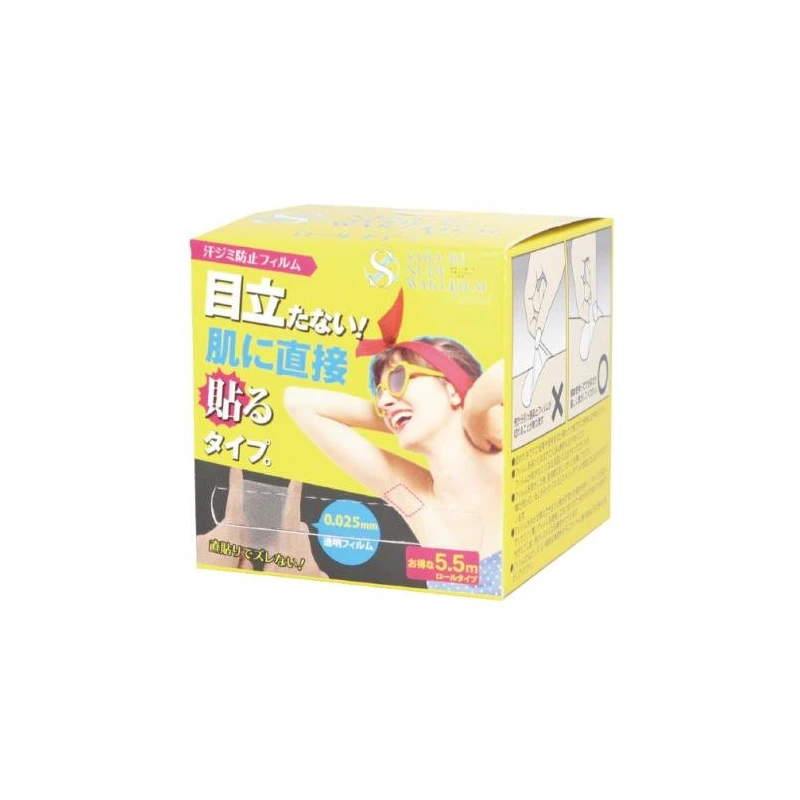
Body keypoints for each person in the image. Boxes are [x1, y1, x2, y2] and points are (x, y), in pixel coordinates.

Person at [284, 289, 504, 595]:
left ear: (452, 389)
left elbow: (520, 366)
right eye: (380, 394)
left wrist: (475, 409)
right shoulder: (418, 503)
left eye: (399, 379)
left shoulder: (510, 458)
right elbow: (298, 402)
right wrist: (405, 417)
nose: (384, 401)